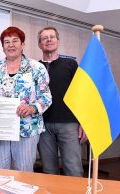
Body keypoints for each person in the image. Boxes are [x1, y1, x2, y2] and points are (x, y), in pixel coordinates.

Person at [0, 26, 52, 171]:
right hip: (1, 129)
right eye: (7, 42)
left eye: (15, 41)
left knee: (23, 172)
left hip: (26, 129)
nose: (11, 45)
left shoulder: (36, 68)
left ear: (23, 44)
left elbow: (46, 96)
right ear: (2, 46)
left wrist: (32, 108)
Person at [37, 26, 87, 177]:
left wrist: (83, 123)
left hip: (69, 124)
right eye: (44, 38)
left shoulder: (70, 64)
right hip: (43, 125)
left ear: (58, 41)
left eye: (52, 37)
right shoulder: (35, 67)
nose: (49, 40)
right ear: (40, 44)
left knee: (73, 169)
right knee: (49, 170)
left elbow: (81, 94)